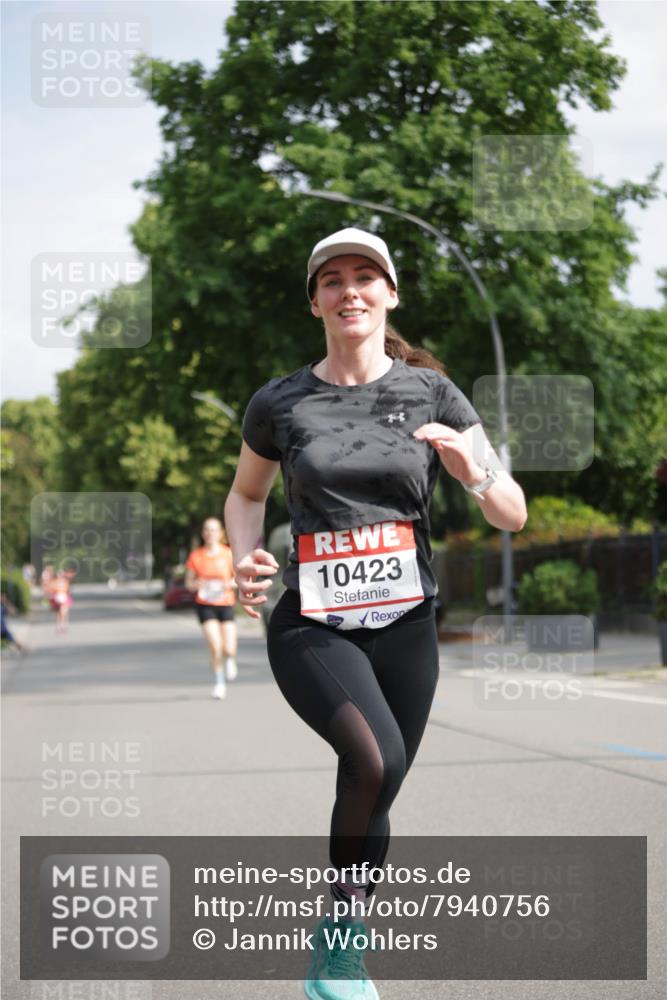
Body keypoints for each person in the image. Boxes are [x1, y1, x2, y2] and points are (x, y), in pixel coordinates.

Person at [224, 227, 527, 999]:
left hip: (406, 624)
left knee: (373, 784)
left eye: (365, 277)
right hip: (313, 622)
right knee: (373, 760)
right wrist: (245, 555)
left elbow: (510, 512)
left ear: (389, 293)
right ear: (315, 300)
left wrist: (470, 470)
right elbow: (246, 495)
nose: (348, 291)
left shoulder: (432, 393)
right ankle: (342, 952)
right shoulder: (280, 401)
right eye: (332, 279)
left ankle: (342, 934)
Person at [185, 517, 239, 700]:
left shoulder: (228, 554)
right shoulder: (196, 556)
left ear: (220, 533)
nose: (210, 533)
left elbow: (238, 579)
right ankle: (219, 683)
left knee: (229, 648)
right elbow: (189, 583)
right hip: (205, 604)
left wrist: (228, 584)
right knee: (215, 646)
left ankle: (231, 659)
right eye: (207, 530)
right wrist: (197, 584)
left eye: (214, 530)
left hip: (225, 603)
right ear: (203, 533)